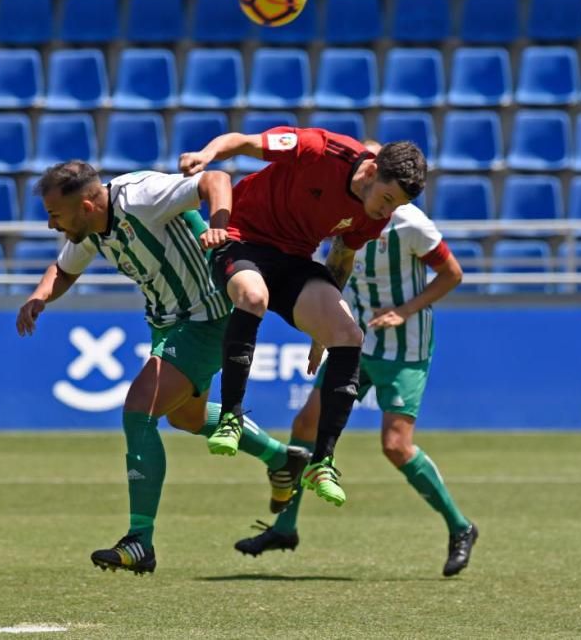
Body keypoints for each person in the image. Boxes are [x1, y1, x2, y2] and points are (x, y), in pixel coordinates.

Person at [16, 160, 310, 575]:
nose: (51, 225)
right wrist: (40, 297)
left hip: (208, 317)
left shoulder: (140, 196)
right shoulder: (91, 227)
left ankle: (140, 541)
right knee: (187, 418)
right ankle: (282, 459)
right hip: (168, 323)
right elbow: (63, 270)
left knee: (139, 410)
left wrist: (220, 227)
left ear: (85, 205)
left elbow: (216, 179)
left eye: (54, 215)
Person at [234, 140, 479, 577]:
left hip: (404, 349)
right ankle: (286, 527)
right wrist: (321, 331)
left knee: (395, 446)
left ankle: (461, 527)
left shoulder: (408, 223)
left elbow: (452, 273)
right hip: (355, 341)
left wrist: (404, 312)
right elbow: (335, 272)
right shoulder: (346, 212)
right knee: (305, 424)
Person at [179, 128, 426, 507]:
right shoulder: (320, 149)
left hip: (295, 260)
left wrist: (319, 333)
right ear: (373, 170)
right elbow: (243, 142)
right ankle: (230, 418)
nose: (386, 212)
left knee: (348, 334)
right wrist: (206, 153)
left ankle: (322, 462)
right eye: (387, 198)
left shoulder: (374, 216)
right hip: (243, 237)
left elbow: (341, 257)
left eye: (396, 206)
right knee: (253, 295)